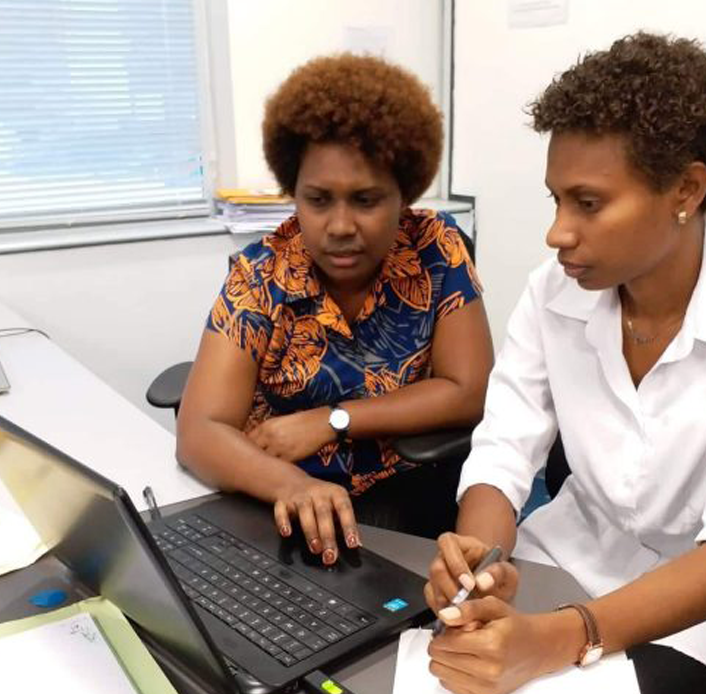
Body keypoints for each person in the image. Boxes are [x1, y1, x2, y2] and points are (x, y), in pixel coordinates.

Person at [423, 32, 706, 694]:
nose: (557, 232)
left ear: (686, 189)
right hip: (570, 560)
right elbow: (504, 448)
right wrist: (478, 556)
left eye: (588, 202)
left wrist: (556, 639)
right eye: (556, 199)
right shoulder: (553, 296)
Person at [178, 54, 494, 564]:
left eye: (366, 200)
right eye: (318, 200)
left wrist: (334, 420)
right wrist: (293, 485)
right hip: (282, 500)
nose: (341, 225)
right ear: (295, 194)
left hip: (406, 499)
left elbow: (469, 390)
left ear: (404, 195)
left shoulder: (437, 248)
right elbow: (199, 432)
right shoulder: (260, 276)